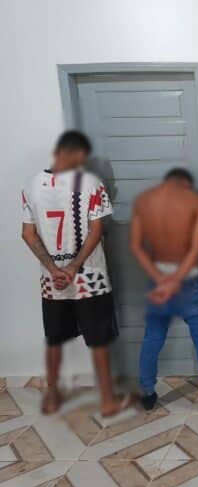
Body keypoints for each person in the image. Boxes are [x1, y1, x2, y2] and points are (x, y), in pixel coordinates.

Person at [21, 130, 131, 416]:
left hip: (52, 282)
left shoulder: (31, 185)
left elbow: (27, 234)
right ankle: (107, 400)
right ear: (78, 154)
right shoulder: (91, 183)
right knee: (99, 340)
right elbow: (96, 230)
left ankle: (52, 397)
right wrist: (73, 267)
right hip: (90, 277)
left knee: (54, 339)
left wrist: (53, 269)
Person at [130, 168, 198, 415]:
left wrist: (161, 279)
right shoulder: (194, 203)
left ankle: (147, 395)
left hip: (159, 283)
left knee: (152, 339)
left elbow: (137, 247)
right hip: (189, 284)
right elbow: (195, 250)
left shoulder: (144, 203)